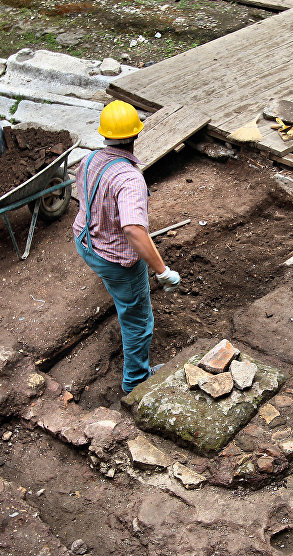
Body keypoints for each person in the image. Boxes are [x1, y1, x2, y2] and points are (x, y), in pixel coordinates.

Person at [73, 100, 181, 393]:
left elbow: (83, 197)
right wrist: (162, 271)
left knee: (121, 293)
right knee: (138, 320)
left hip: (85, 242)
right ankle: (135, 381)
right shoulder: (130, 178)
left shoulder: (90, 159)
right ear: (136, 135)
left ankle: (115, 289)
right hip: (114, 258)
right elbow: (133, 229)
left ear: (104, 134)